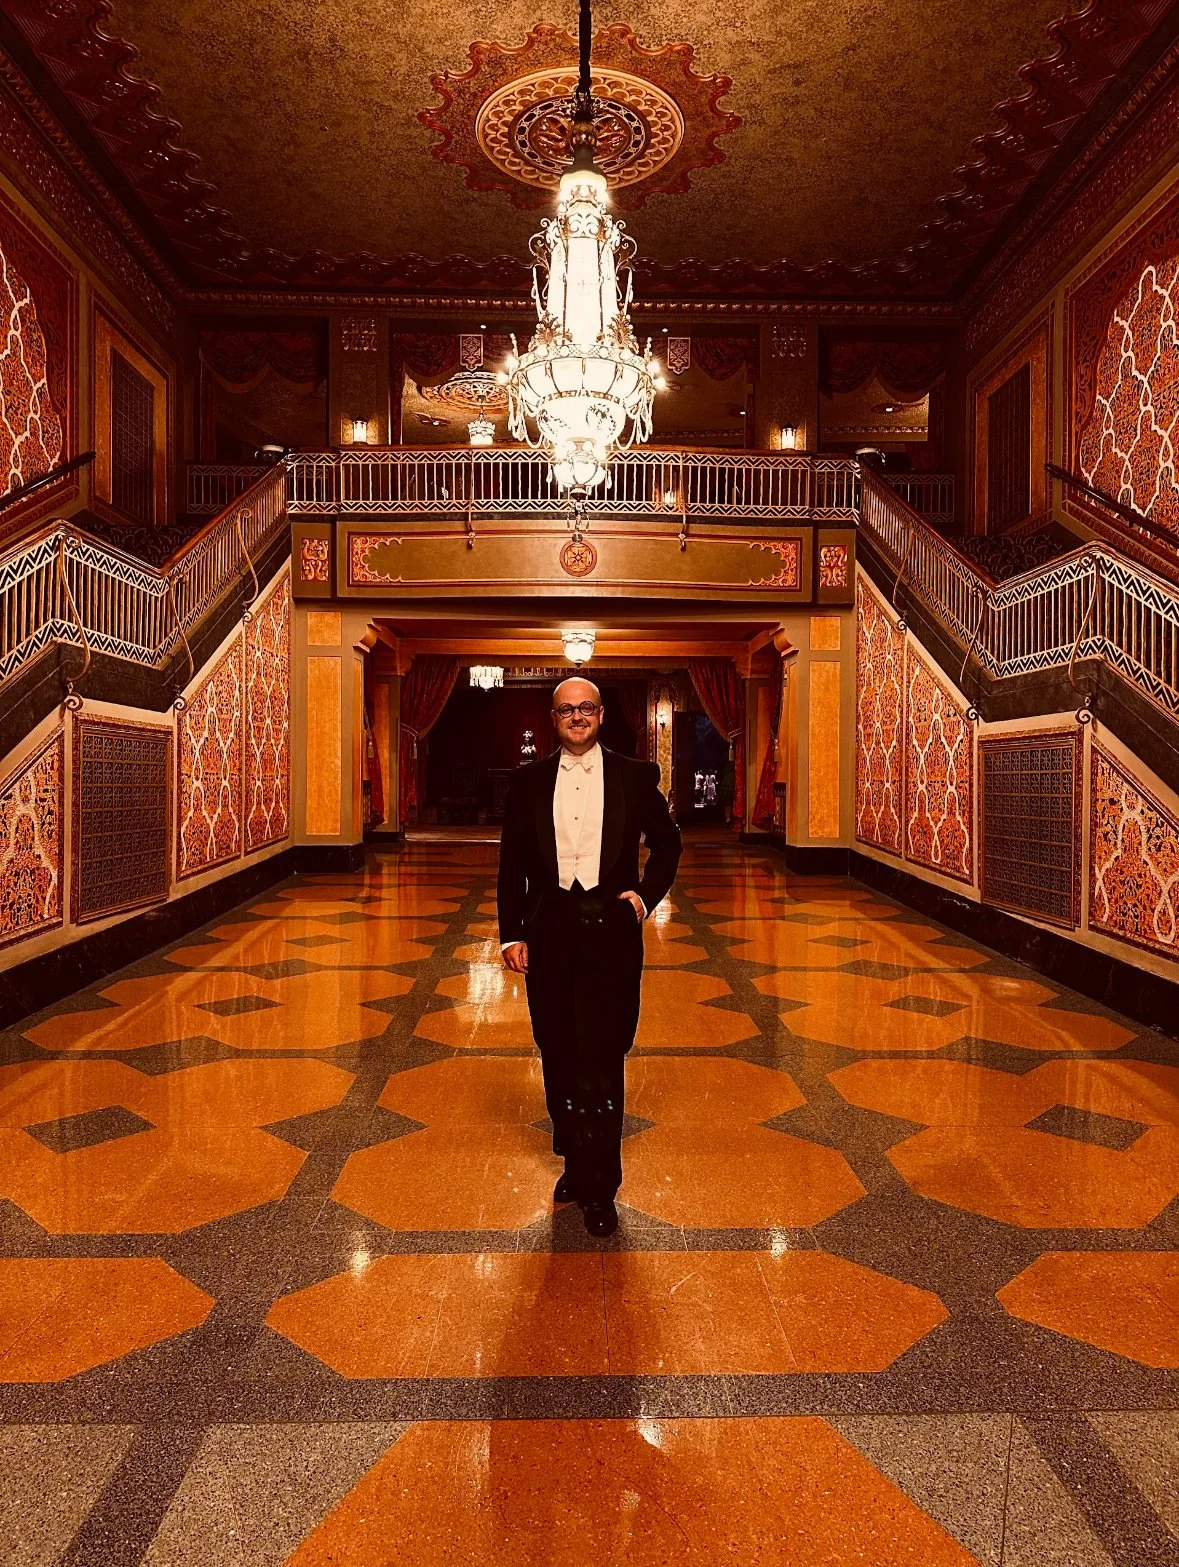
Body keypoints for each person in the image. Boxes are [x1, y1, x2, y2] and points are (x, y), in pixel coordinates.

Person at [498, 676, 682, 1236]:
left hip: (610, 936)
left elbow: (668, 843)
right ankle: (575, 1162)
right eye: (566, 710)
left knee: (602, 1061)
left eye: (586, 709)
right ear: (553, 719)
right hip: (549, 933)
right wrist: (511, 935)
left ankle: (601, 1186)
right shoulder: (527, 782)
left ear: (601, 714)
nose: (577, 717)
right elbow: (511, 867)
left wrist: (645, 898)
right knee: (556, 1054)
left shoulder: (633, 774)